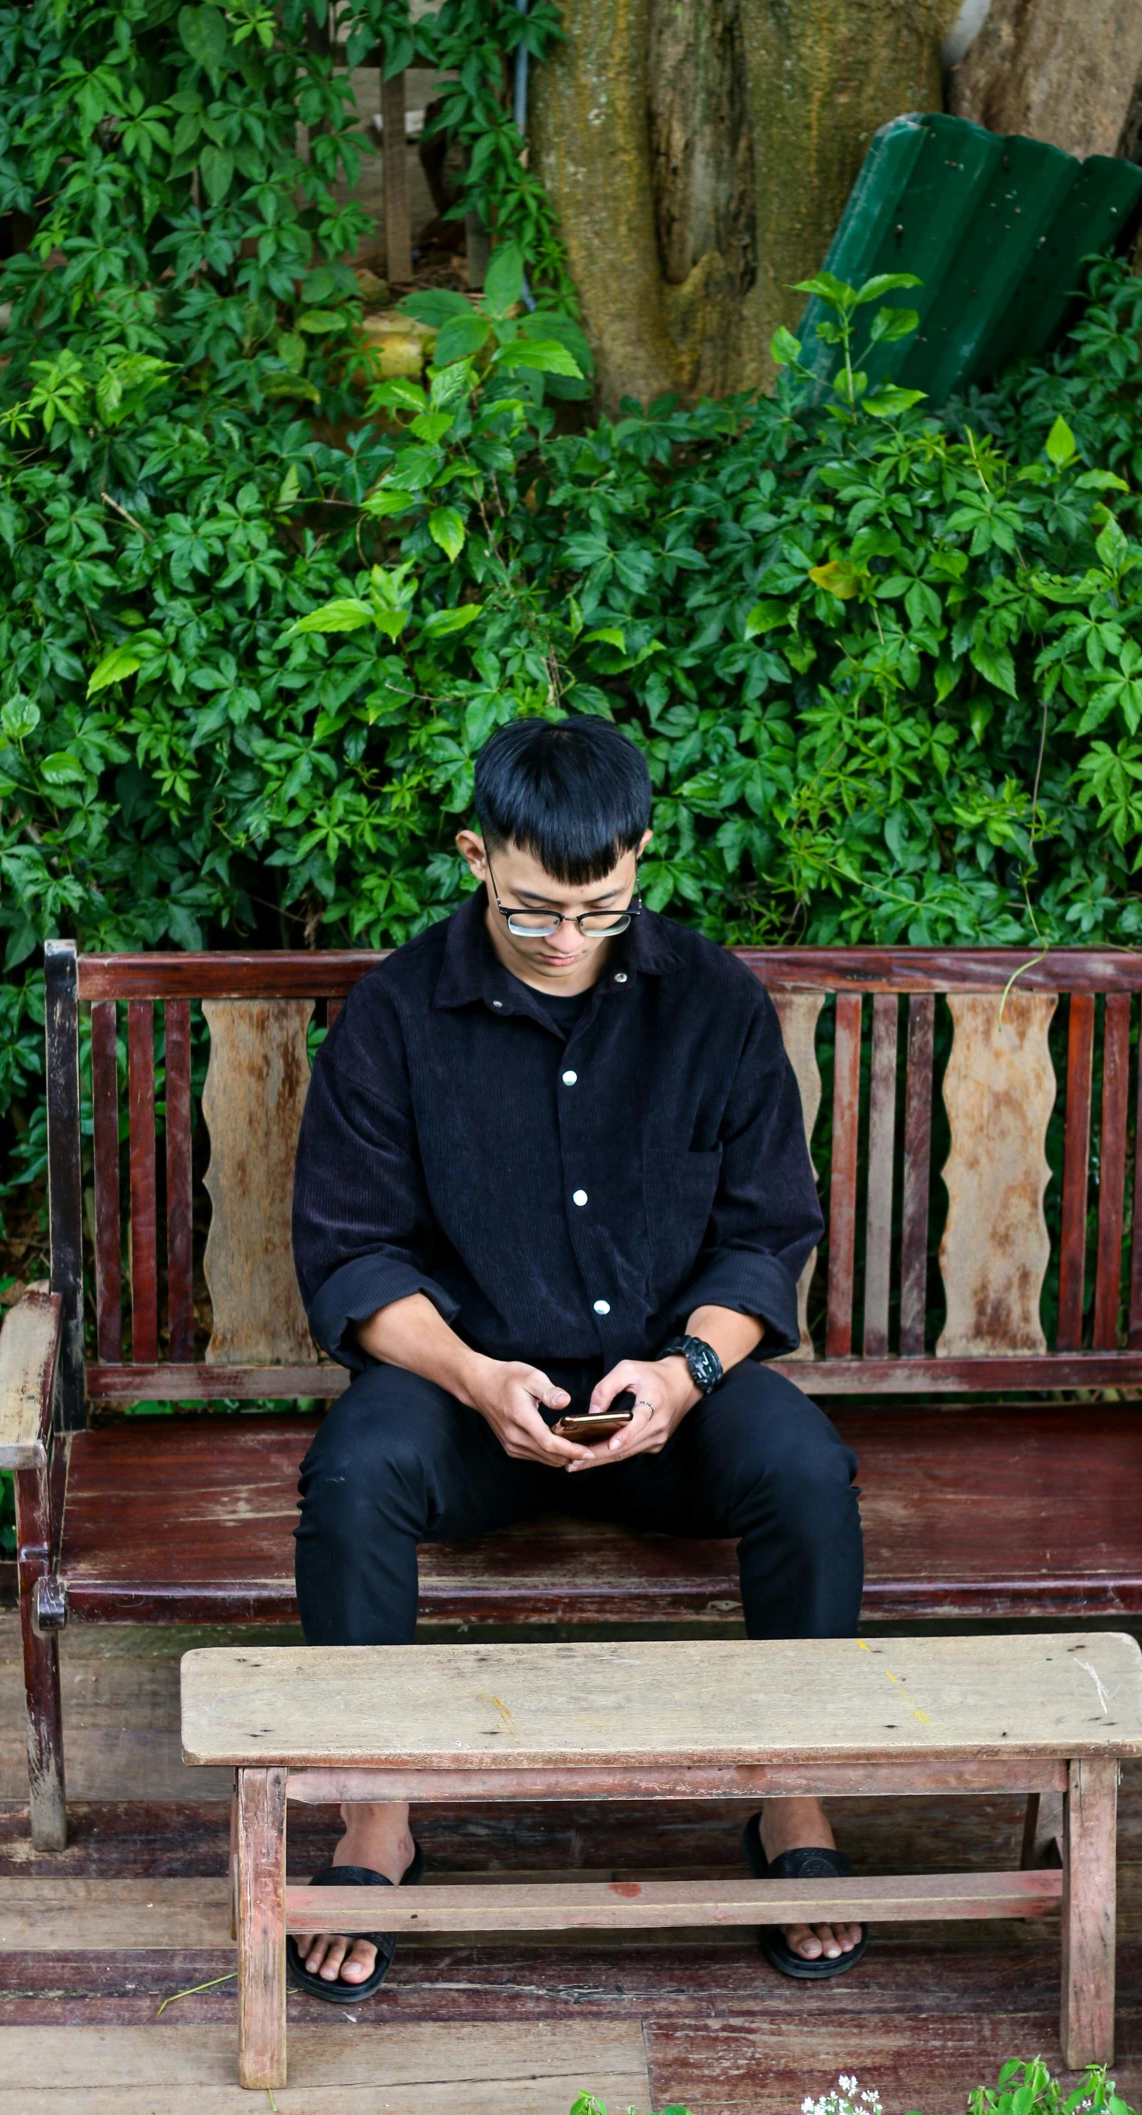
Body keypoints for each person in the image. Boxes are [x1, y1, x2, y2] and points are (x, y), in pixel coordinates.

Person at [289, 713, 865, 2001]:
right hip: (469, 1404)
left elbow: (769, 1234)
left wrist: (688, 1378)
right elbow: (349, 1255)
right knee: (351, 1476)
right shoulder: (394, 1014)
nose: (565, 941)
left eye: (599, 910)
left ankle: (794, 1800)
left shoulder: (711, 1004)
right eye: (534, 908)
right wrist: (474, 1378)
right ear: (475, 857)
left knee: (806, 1471)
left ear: (641, 859)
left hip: (668, 1405)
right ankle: (376, 1817)